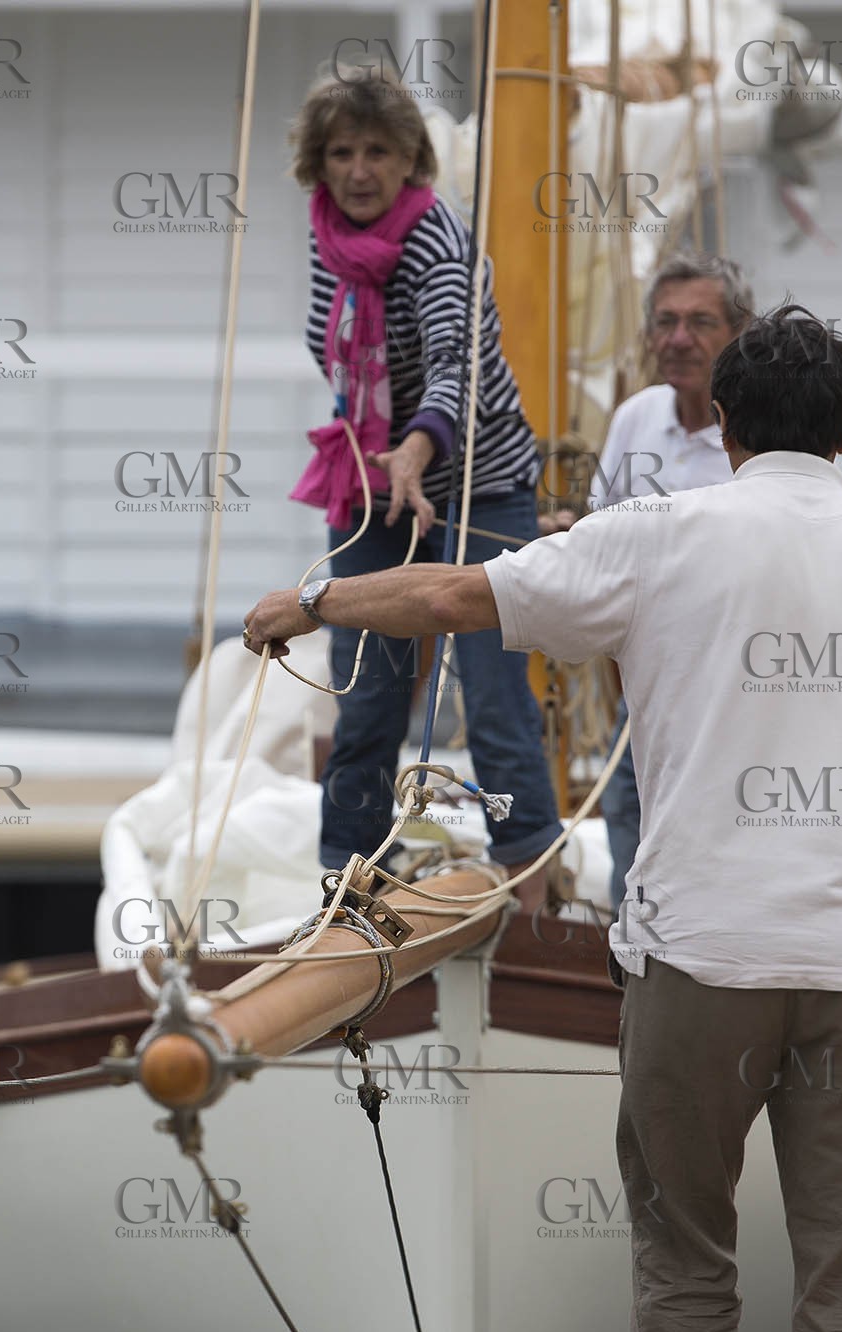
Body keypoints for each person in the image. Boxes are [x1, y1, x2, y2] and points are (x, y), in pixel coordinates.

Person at [245, 305, 842, 1332]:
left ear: (718, 422)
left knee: (681, 1244)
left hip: (700, 954)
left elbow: (449, 593)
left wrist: (311, 597)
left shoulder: (659, 537)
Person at [286, 67, 563, 912]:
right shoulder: (328, 239)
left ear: (411, 160)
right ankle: (342, 878)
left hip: (480, 482)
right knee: (364, 687)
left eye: (379, 151)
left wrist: (414, 448)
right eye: (342, 152)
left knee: (489, 690)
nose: (360, 170)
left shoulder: (436, 240)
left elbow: (455, 364)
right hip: (378, 486)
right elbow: (328, 346)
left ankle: (530, 874)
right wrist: (383, 454)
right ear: (318, 164)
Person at [546, 253, 755, 912]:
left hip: (736, 683)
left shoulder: (762, 432)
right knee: (628, 808)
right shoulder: (637, 418)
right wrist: (569, 532)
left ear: (737, 333)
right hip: (647, 680)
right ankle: (631, 967)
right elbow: (605, 536)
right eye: (664, 322)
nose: (677, 339)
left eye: (698, 322)